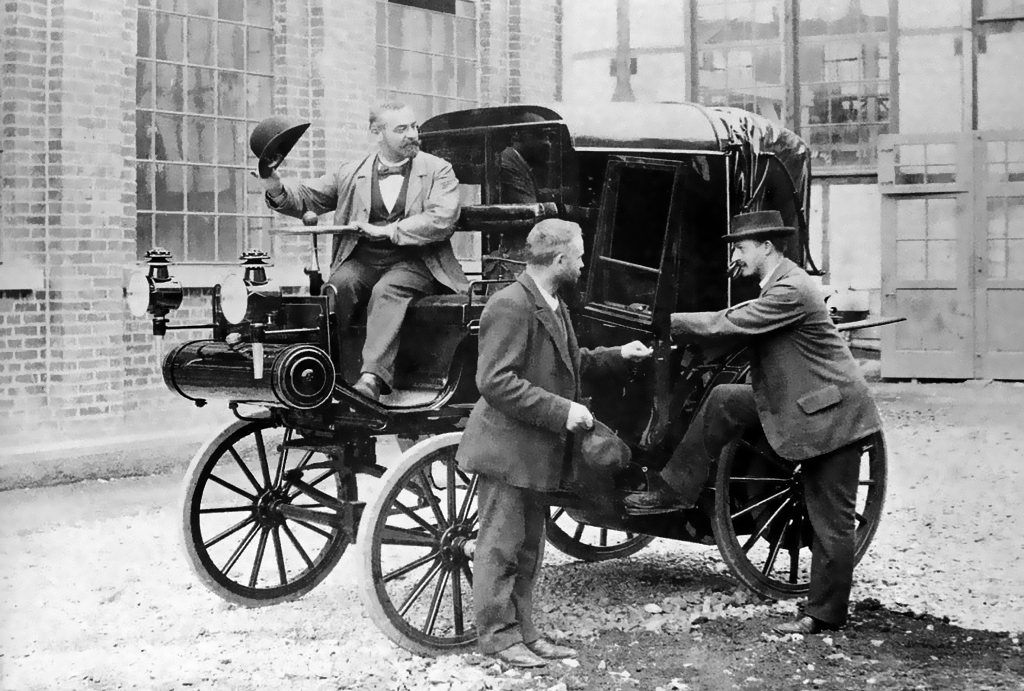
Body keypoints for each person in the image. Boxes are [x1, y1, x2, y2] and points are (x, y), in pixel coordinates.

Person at [623, 210, 882, 635]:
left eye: (740, 249)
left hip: (832, 415)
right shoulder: (779, 283)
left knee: (830, 521)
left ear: (766, 247)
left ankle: (824, 614)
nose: (735, 258)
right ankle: (672, 488)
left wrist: (664, 323)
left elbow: (733, 321)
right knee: (725, 399)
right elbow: (739, 313)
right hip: (796, 401)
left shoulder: (793, 289)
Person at [457, 218, 652, 667]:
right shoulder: (510, 304)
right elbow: (495, 381)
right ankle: (498, 639)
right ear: (560, 259)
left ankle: (524, 633)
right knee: (500, 547)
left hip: (532, 454)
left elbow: (567, 363)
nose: (584, 264)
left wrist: (618, 355)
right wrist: (563, 411)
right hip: (507, 452)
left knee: (527, 550)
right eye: (580, 256)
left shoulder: (550, 302)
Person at [259, 102, 467, 400]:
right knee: (337, 286)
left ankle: (372, 378)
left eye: (414, 127)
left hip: (416, 262)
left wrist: (390, 231)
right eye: (401, 129)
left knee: (389, 290)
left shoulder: (438, 170)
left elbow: (442, 219)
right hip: (364, 261)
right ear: (376, 133)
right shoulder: (351, 172)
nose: (413, 135)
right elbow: (307, 196)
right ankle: (325, 369)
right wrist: (275, 185)